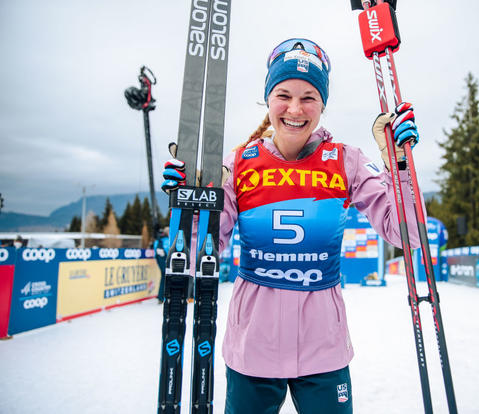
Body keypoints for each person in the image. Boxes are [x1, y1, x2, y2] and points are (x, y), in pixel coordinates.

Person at [162, 38, 424, 414]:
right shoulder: (237, 165)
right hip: (253, 350)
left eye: (308, 97)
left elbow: (408, 234)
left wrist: (400, 168)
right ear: (268, 100)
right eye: (283, 95)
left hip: (324, 353)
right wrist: (189, 203)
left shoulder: (346, 161)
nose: (295, 109)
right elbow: (198, 253)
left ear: (322, 105)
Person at [153, 226, 170, 303]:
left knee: (164, 277)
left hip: (160, 261)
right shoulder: (168, 240)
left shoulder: (158, 241)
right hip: (165, 261)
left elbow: (155, 252)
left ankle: (161, 296)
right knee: (165, 278)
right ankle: (161, 297)